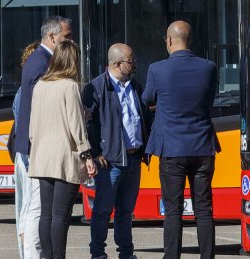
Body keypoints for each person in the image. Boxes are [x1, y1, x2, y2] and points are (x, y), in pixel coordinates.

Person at [142, 21, 220, 259]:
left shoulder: (157, 70)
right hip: (202, 145)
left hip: (172, 148)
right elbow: (209, 101)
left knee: (173, 211)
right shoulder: (209, 67)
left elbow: (146, 100)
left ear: (169, 40)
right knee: (204, 209)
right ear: (190, 39)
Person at [83, 43, 151, 259]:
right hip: (109, 162)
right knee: (103, 210)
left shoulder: (136, 87)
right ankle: (98, 253)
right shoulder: (96, 87)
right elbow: (86, 124)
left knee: (126, 211)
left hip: (133, 158)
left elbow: (144, 117)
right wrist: (94, 153)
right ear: (118, 63)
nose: (135, 65)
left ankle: (126, 253)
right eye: (132, 61)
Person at [29, 39, 96, 259]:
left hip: (41, 154)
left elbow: (32, 125)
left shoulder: (40, 85)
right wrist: (87, 153)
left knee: (45, 214)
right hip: (65, 153)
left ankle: (48, 256)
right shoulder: (70, 86)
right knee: (61, 214)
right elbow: (76, 125)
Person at [11, 16, 71, 259]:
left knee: (33, 208)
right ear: (53, 37)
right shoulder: (41, 63)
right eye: (67, 37)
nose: (71, 42)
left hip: (32, 145)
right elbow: (40, 107)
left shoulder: (41, 60)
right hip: (35, 147)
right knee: (35, 209)